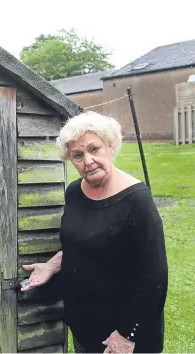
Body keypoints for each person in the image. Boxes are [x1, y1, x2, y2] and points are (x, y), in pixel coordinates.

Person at [21, 111, 168, 353]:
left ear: (110, 146)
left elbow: (154, 277)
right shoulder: (75, 193)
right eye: (77, 155)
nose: (87, 160)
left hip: (125, 331)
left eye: (94, 149)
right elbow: (79, 240)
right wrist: (52, 265)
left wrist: (126, 335)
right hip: (85, 322)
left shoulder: (137, 201)